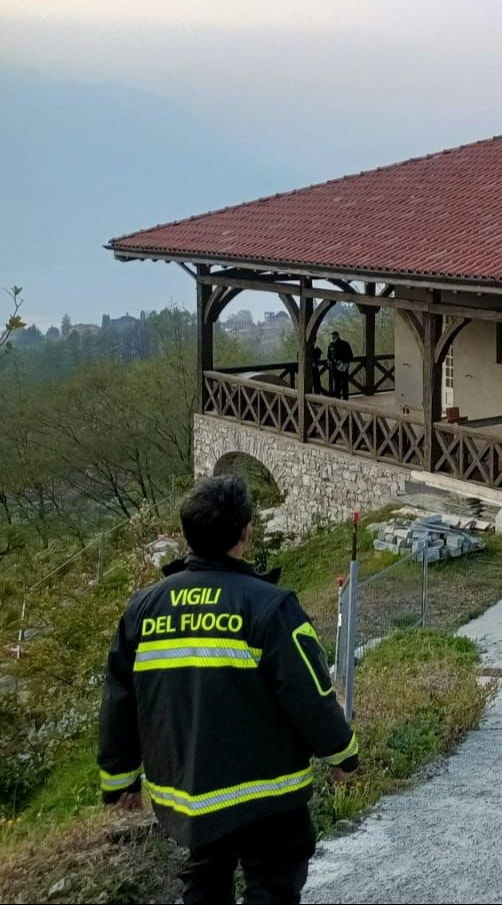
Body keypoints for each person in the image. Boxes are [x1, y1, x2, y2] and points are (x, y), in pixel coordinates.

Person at [98, 476, 358, 904]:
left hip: (188, 791)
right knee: (273, 884)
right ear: (246, 533)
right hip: (268, 793)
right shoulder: (270, 606)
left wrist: (121, 778)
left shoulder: (143, 609)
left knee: (204, 881)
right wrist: (342, 755)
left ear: (187, 536)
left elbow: (120, 697)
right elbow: (309, 692)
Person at [326, 331, 355, 400]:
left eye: (333, 336)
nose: (332, 337)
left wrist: (344, 363)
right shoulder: (332, 345)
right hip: (338, 367)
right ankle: (341, 398)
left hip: (341, 366)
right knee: (340, 383)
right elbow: (329, 356)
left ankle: (341, 398)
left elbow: (350, 356)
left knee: (341, 383)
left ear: (336, 336)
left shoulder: (343, 344)